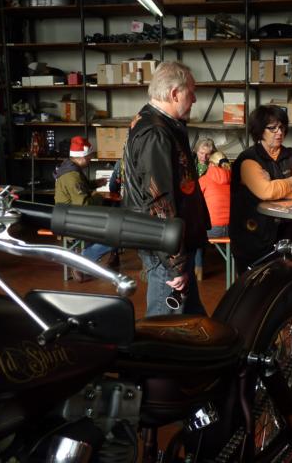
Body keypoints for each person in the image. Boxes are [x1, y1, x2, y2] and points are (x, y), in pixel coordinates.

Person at [121, 61, 210, 317]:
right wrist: (175, 263)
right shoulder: (155, 134)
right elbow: (158, 202)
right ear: (174, 93)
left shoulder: (161, 124)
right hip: (166, 249)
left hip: (173, 244)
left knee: (192, 320)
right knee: (164, 326)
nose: (194, 99)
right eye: (191, 92)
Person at [229, 105, 292, 274]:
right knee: (255, 285)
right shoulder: (248, 159)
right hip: (253, 239)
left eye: (282, 127)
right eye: (272, 128)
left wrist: (274, 186)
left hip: (286, 237)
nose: (279, 132)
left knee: (286, 284)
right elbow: (266, 192)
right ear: (259, 130)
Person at [54, 136, 116, 282]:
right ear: (82, 157)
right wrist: (99, 196)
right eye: (89, 157)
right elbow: (84, 204)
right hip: (72, 221)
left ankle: (87, 256)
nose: (90, 160)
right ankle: (81, 263)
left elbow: (81, 188)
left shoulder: (70, 167)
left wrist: (95, 184)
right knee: (114, 236)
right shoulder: (72, 176)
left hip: (69, 216)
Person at [194, 151, 232, 280]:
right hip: (232, 229)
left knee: (195, 234)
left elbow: (194, 203)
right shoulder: (233, 180)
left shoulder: (204, 180)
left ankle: (198, 269)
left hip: (213, 230)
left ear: (210, 164)